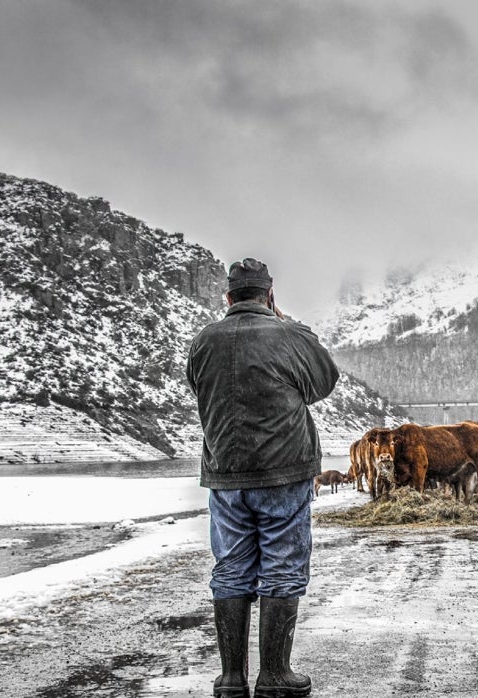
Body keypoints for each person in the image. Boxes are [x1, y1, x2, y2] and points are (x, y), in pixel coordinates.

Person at [186, 257, 339, 698]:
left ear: (228, 298)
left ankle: (232, 679)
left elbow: (200, 388)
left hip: (226, 476)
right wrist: (292, 327)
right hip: (283, 473)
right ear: (269, 297)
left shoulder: (204, 340)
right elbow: (322, 382)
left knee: (231, 568)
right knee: (282, 568)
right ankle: (274, 675)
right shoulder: (289, 336)